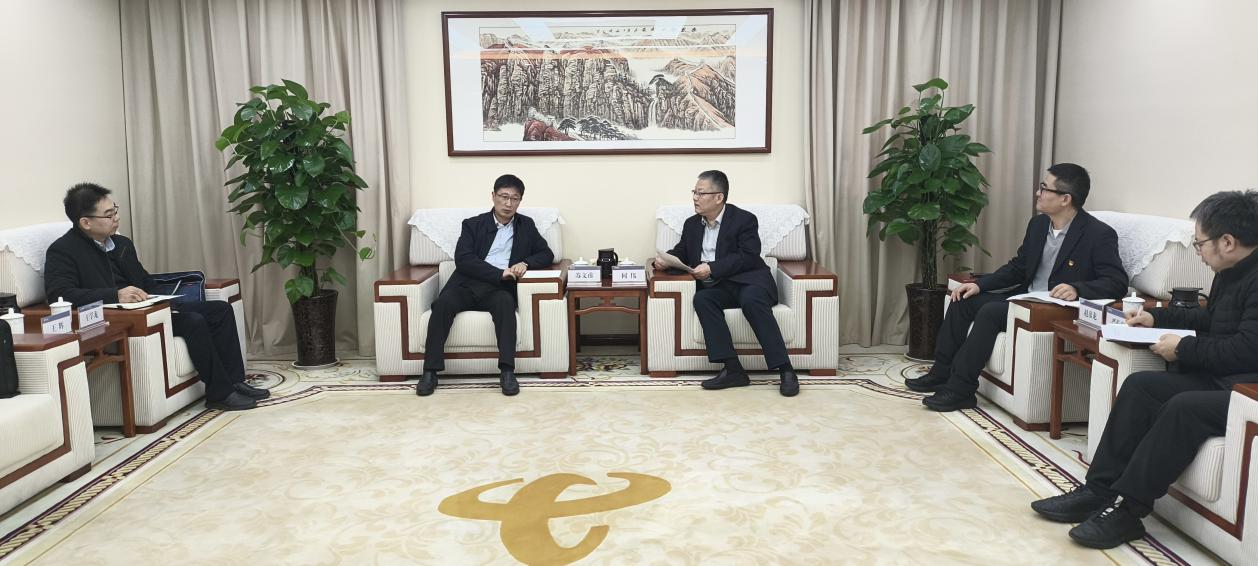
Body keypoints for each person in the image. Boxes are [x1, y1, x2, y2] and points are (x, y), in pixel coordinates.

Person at [1031, 190, 1258, 549]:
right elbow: (1213, 320)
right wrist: (1157, 317)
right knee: (1140, 386)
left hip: (1248, 391)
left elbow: (1247, 350)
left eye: (1200, 244)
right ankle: (1097, 491)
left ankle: (1129, 513)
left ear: (1227, 242)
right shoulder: (1230, 271)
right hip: (1224, 378)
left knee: (1183, 407)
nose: (1198, 253)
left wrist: (1182, 348)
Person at [907, 163, 1129, 411]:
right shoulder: (1038, 225)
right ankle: (941, 373)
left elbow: (1117, 282)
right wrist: (980, 285)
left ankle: (961, 390)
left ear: (1065, 199)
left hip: (1054, 310)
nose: (1038, 193)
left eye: (1044, 188)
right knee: (964, 299)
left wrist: (1077, 289)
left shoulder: (1098, 234)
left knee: (990, 312)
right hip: (1024, 300)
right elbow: (1019, 267)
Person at [44, 183, 263, 411]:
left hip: (148, 308)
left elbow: (143, 279)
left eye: (115, 210)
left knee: (219, 310)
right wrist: (115, 295)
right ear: (85, 222)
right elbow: (60, 294)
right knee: (193, 321)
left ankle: (235, 382)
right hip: (118, 319)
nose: (116, 218)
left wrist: (165, 299)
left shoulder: (121, 243)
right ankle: (219, 394)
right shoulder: (63, 250)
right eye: (109, 215)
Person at [652, 170, 799, 396]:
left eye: (701, 193)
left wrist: (712, 267)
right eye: (694, 192)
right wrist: (664, 260)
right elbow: (682, 251)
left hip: (750, 282)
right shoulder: (692, 224)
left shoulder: (744, 220)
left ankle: (785, 369)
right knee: (703, 299)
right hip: (720, 287)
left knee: (751, 300)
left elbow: (748, 256)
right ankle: (733, 369)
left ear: (719, 197)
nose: (695, 198)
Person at [416, 174, 554, 397]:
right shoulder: (473, 224)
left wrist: (525, 263)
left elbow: (546, 253)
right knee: (443, 304)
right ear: (493, 196)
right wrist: (499, 273)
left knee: (505, 304)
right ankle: (429, 372)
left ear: (520, 201)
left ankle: (507, 372)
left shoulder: (526, 225)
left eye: (515, 199)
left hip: (500, 289)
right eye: (504, 197)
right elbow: (464, 259)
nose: (508, 203)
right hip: (467, 285)